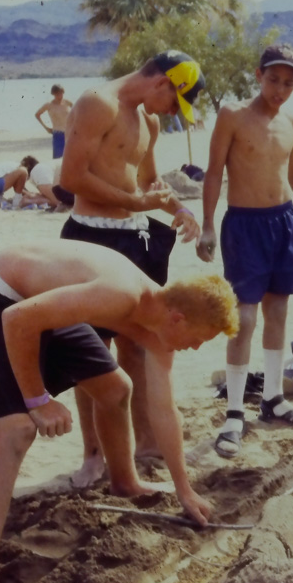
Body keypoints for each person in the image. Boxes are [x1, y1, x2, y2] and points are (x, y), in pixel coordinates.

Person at [0, 239, 238, 583]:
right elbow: (17, 320)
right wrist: (38, 401)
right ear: (178, 318)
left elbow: (164, 411)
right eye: (201, 338)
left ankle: (125, 481)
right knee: (17, 431)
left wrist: (185, 490)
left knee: (116, 389)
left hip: (34, 305)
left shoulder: (158, 328)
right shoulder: (121, 295)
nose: (198, 348)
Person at [58, 49, 206, 485]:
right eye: (173, 100)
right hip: (91, 233)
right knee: (90, 349)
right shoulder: (97, 103)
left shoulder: (150, 121)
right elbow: (71, 178)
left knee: (139, 345)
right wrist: (135, 202)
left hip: (135, 237)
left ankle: (147, 446)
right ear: (162, 82)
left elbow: (147, 184)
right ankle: (92, 455)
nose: (171, 112)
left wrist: (178, 207)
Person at [197, 43, 293, 459]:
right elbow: (214, 172)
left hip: (285, 223)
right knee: (243, 318)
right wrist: (207, 224)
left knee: (278, 313)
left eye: (289, 83)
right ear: (258, 75)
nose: (279, 89)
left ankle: (273, 399)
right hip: (244, 226)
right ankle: (236, 413)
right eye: (273, 80)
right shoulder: (233, 116)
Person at [34, 84, 73, 159]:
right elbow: (37, 114)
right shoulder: (49, 105)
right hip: (58, 134)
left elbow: (77, 112)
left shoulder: (67, 102)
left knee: (70, 158)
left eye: (61, 93)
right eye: (57, 94)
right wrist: (46, 128)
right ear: (53, 94)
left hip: (69, 133)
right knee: (58, 159)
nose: (60, 96)